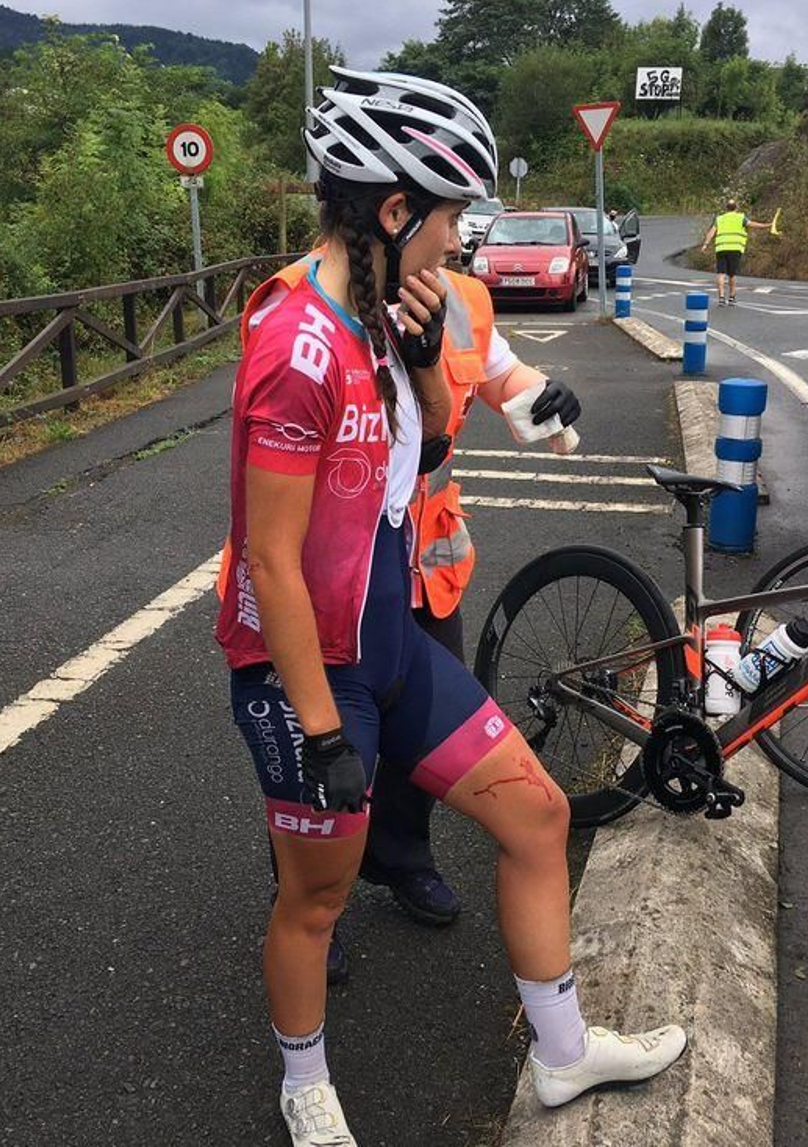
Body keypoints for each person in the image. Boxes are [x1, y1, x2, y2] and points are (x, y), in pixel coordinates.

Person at [216, 67, 684, 1146]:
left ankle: (563, 1056)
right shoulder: (297, 347)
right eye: (451, 217)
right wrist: (326, 733)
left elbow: (419, 458)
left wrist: (427, 368)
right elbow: (274, 565)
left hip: (390, 636)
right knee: (316, 900)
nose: (460, 241)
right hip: (313, 668)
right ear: (392, 212)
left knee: (536, 815)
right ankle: (305, 1085)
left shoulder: (391, 309)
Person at [239, 253, 582, 966]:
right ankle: (309, 905)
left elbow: (498, 373)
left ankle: (400, 856)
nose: (458, 239)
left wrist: (543, 395)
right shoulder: (307, 303)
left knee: (423, 743)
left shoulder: (458, 299)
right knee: (322, 756)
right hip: (326, 590)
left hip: (426, 569)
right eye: (447, 216)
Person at [700, 198, 770, 306]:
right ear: (736, 207)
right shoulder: (741, 217)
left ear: (726, 208)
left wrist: (705, 245)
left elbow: (711, 233)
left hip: (721, 248)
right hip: (735, 249)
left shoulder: (720, 218)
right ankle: (732, 298)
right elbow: (753, 224)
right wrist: (767, 225)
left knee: (721, 273)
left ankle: (721, 298)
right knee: (732, 274)